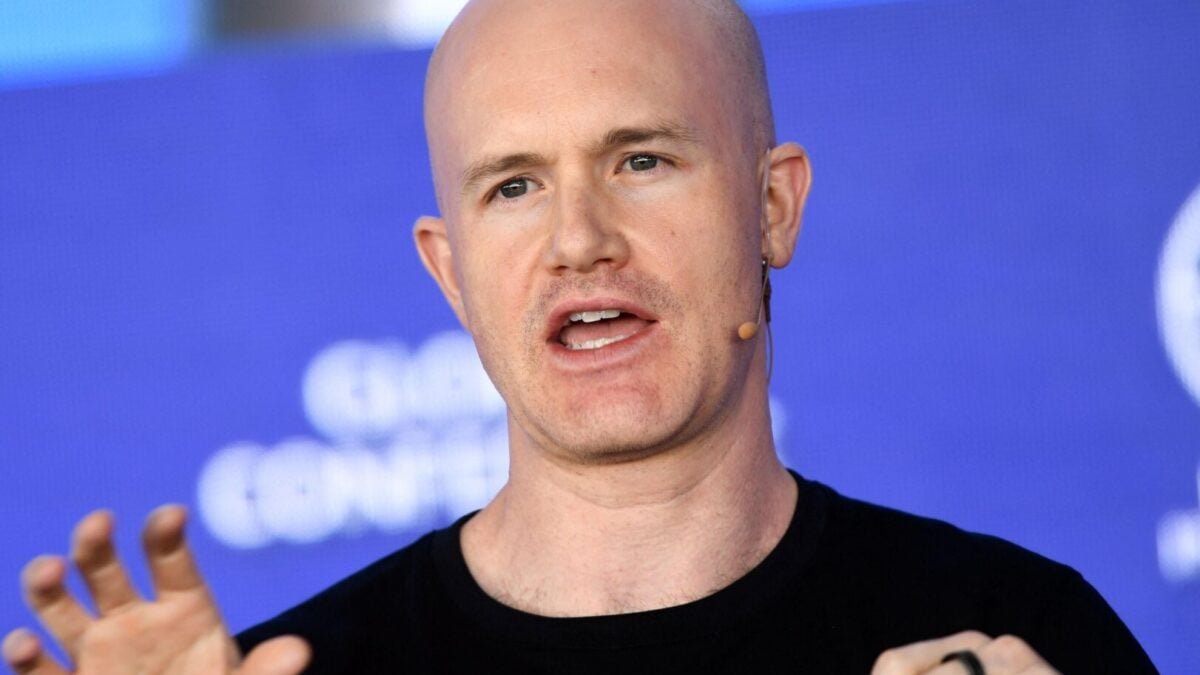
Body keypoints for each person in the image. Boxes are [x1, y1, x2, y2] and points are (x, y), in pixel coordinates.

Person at [3, 1, 1156, 673]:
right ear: (449, 273)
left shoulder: (1012, 632)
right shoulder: (298, 671)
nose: (579, 240)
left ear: (773, 206)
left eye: (641, 160)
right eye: (512, 186)